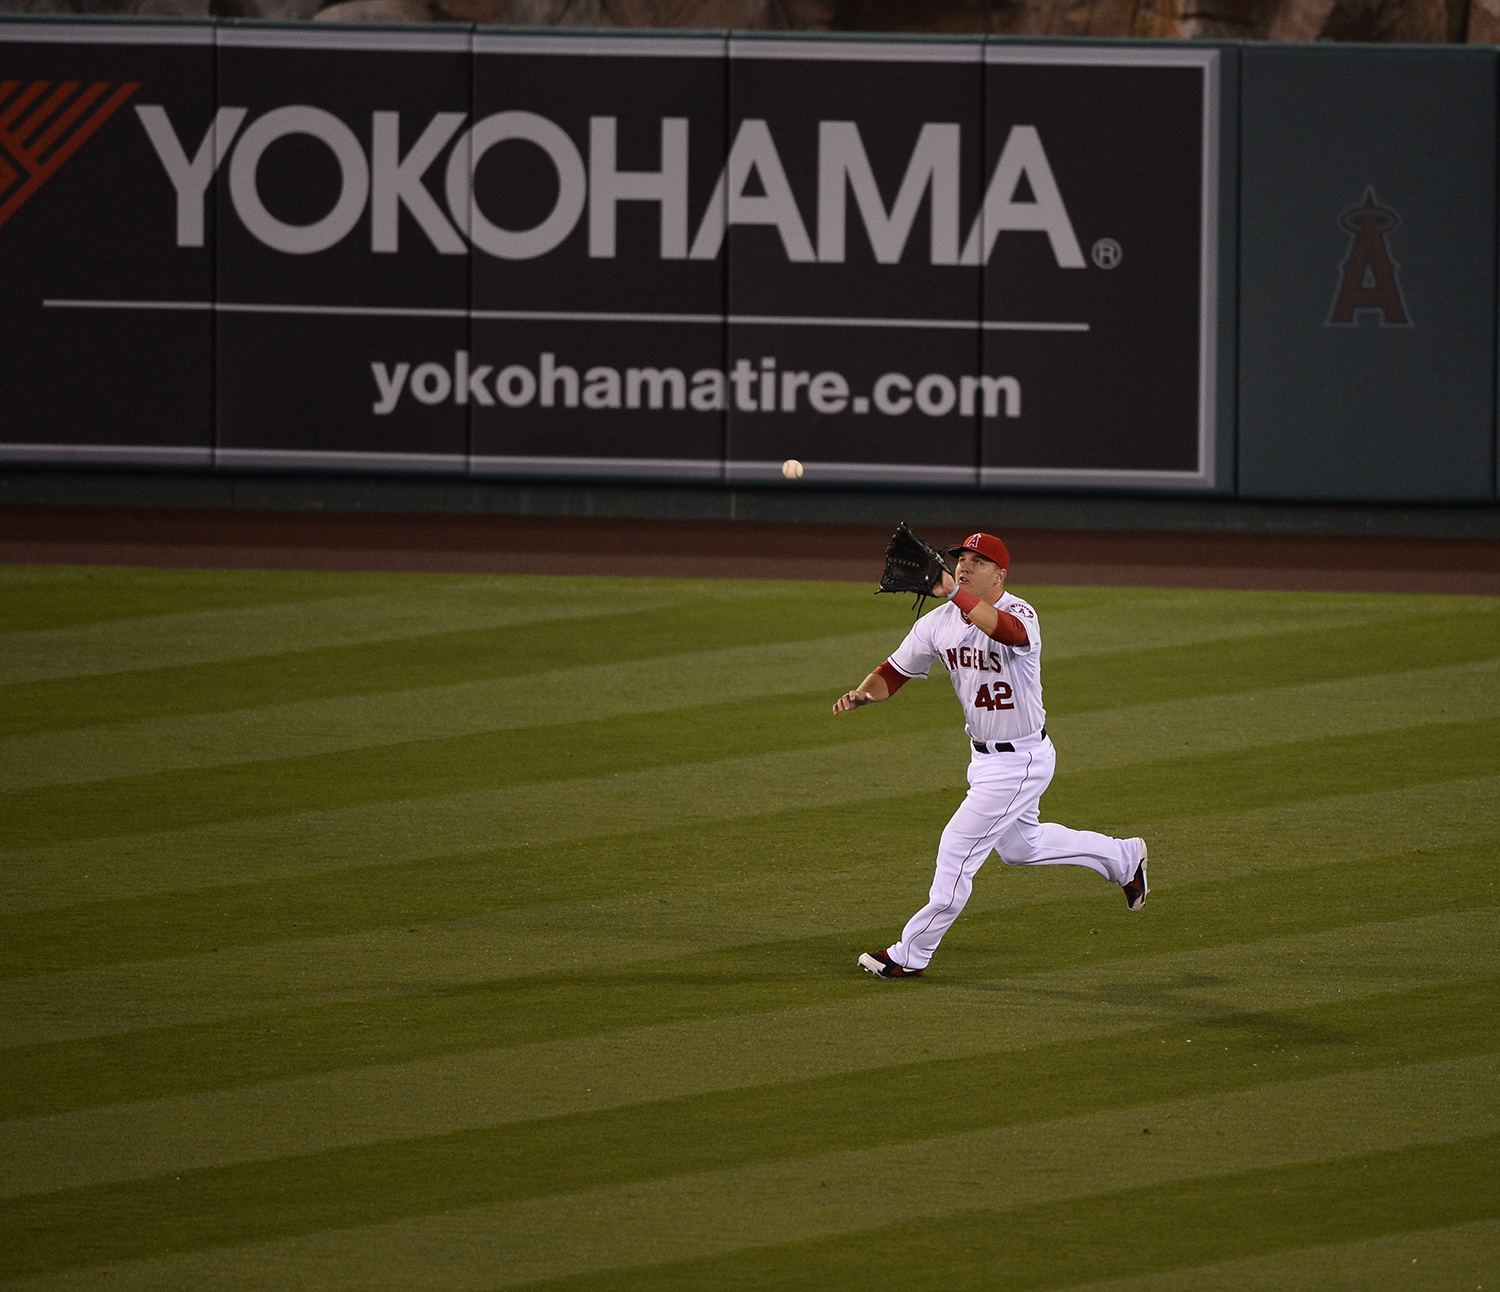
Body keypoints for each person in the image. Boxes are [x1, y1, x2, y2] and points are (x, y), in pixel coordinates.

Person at [833, 531, 1148, 979]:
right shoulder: (936, 623)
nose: (963, 565)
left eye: (977, 561)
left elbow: (1008, 632)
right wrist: (865, 693)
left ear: (1000, 575)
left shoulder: (1021, 612)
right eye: (961, 558)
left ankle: (910, 955)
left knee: (956, 849)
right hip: (984, 761)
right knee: (1023, 847)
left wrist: (956, 594)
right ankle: (1122, 858)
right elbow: (894, 670)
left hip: (1021, 761)